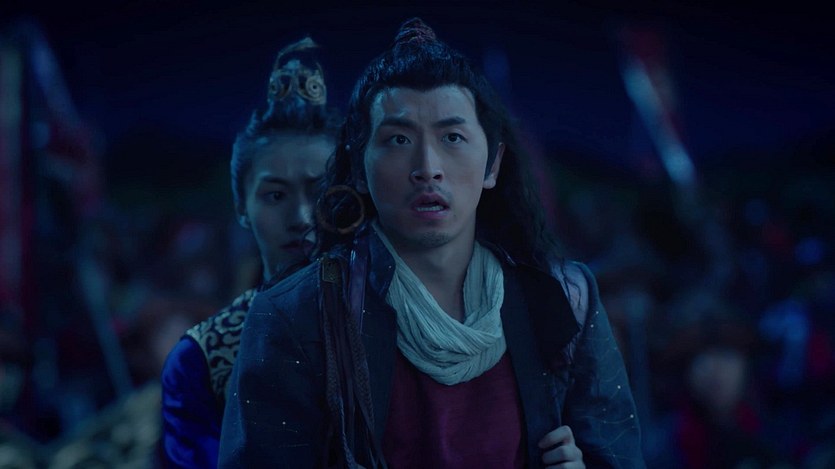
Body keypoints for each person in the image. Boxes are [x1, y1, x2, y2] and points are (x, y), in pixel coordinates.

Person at [220, 18, 644, 468]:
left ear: (492, 165)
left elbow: (616, 455)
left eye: (452, 137)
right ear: (359, 167)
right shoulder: (297, 314)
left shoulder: (564, 297)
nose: (427, 167)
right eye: (398, 139)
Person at [160, 37, 342, 468]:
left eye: (319, 190)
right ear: (242, 207)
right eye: (275, 195)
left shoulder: (403, 320)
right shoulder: (203, 358)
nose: (301, 217)